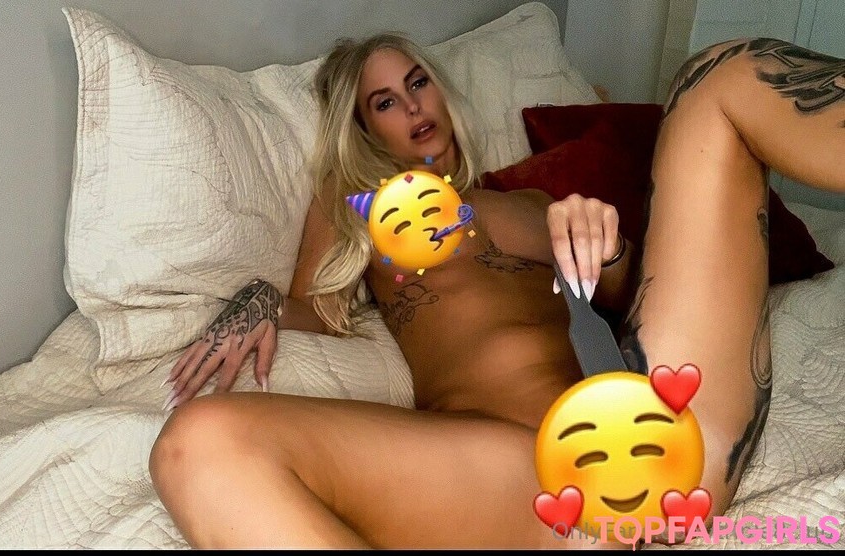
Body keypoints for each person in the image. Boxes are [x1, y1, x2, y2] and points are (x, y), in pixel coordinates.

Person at [148, 33, 845, 549]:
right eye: (385, 102)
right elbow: (318, 308)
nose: (413, 106)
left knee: (721, 74)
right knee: (201, 444)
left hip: (654, 435)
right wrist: (257, 300)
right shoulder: (363, 204)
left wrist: (605, 242)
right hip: (520, 477)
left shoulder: (529, 203)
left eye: (418, 84)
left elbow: (639, 295)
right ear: (364, 130)